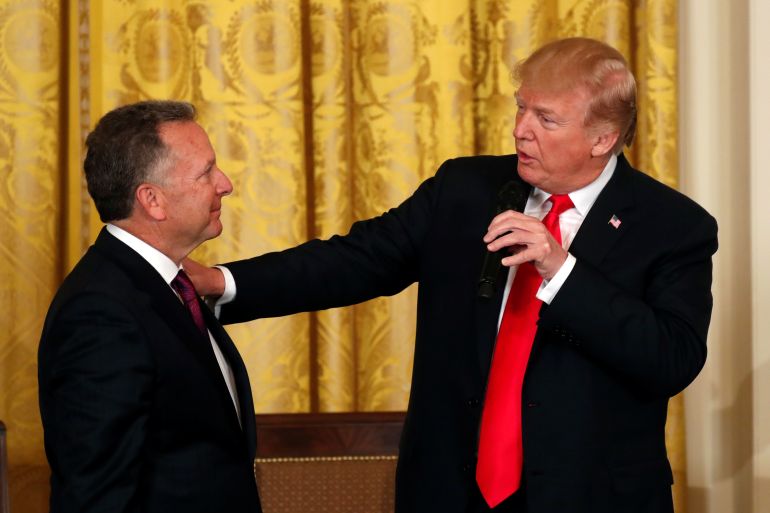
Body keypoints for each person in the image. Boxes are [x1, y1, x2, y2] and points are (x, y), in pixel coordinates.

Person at [188, 37, 718, 513]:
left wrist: (562, 270)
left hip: (591, 495)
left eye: (547, 119)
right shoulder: (465, 188)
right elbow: (354, 259)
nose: (521, 129)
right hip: (451, 490)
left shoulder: (672, 225)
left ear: (603, 138)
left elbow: (672, 358)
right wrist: (223, 283)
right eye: (521, 107)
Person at [38, 101, 261, 513]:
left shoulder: (169, 285)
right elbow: (96, 497)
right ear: (152, 200)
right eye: (206, 172)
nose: (225, 184)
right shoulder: (100, 314)